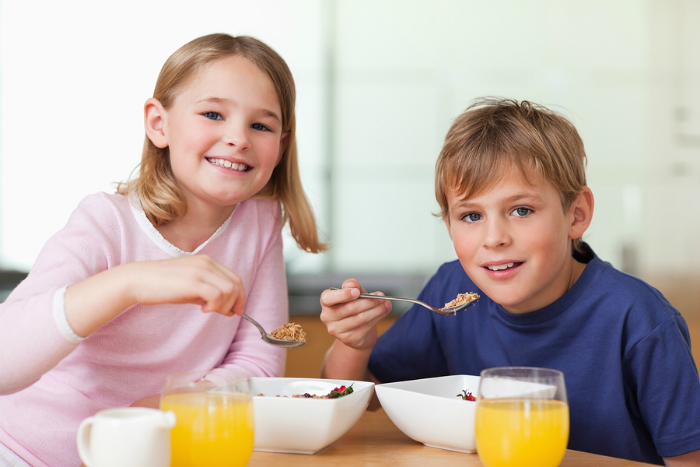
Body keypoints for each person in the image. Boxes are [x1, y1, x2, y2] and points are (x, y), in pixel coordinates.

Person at [0, 33, 325, 467]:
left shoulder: (260, 225)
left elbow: (259, 359)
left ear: (280, 146)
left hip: (158, 456)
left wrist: (171, 404)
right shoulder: (104, 223)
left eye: (261, 125)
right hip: (28, 453)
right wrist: (130, 282)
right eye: (213, 113)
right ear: (159, 123)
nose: (238, 138)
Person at [319, 98, 700, 466]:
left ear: (576, 215)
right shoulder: (451, 291)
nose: (494, 238)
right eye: (471, 216)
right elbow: (357, 395)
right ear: (449, 224)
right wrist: (355, 342)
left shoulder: (639, 319)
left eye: (521, 210)